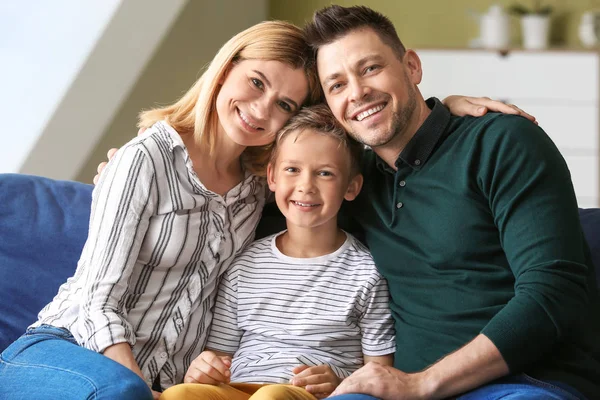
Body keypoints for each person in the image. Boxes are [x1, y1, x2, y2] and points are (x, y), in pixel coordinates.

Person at [0, 20, 321, 400]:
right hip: (66, 350)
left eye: (284, 104)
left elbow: (328, 165)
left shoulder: (256, 189)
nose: (261, 108)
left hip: (161, 382)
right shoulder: (145, 159)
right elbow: (96, 301)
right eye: (256, 82)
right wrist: (142, 391)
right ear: (225, 70)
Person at [294, 5, 600, 400]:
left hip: (523, 385)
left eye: (371, 68)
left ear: (412, 67)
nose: (357, 92)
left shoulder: (502, 142)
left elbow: (554, 292)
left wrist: (421, 384)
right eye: (336, 85)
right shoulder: (352, 181)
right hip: (399, 391)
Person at [159, 104, 396, 400]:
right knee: (179, 395)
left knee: (271, 398)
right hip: (237, 388)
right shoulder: (244, 265)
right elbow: (218, 355)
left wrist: (339, 380)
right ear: (272, 177)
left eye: (324, 173)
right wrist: (204, 368)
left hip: (301, 394)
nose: (305, 186)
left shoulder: (366, 273)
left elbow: (380, 370)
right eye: (292, 170)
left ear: (351, 186)